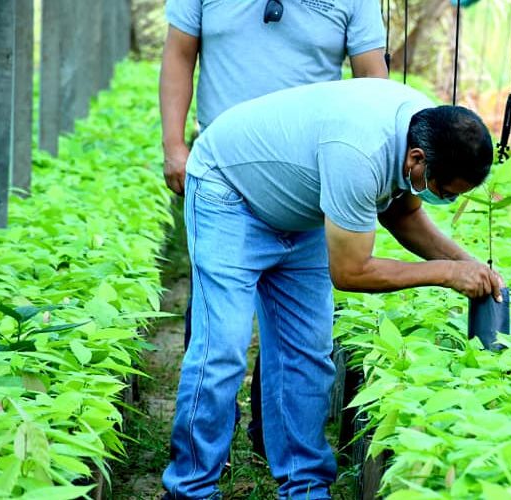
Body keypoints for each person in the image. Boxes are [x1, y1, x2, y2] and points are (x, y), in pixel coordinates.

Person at [161, 77, 505, 499]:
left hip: (303, 206)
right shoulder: (361, 153)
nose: (446, 201)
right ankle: (191, 488)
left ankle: (304, 487)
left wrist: (467, 264)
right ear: (416, 158)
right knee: (223, 348)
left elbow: (404, 216)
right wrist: (445, 274)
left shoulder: (425, 128)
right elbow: (352, 272)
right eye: (445, 192)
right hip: (229, 192)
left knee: (307, 355)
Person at [159, 0, 388, 457]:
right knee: (218, 337)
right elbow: (180, 53)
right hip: (224, 178)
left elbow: (373, 83)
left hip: (305, 180)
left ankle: (277, 444)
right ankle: (204, 459)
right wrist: (174, 144)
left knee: (301, 341)